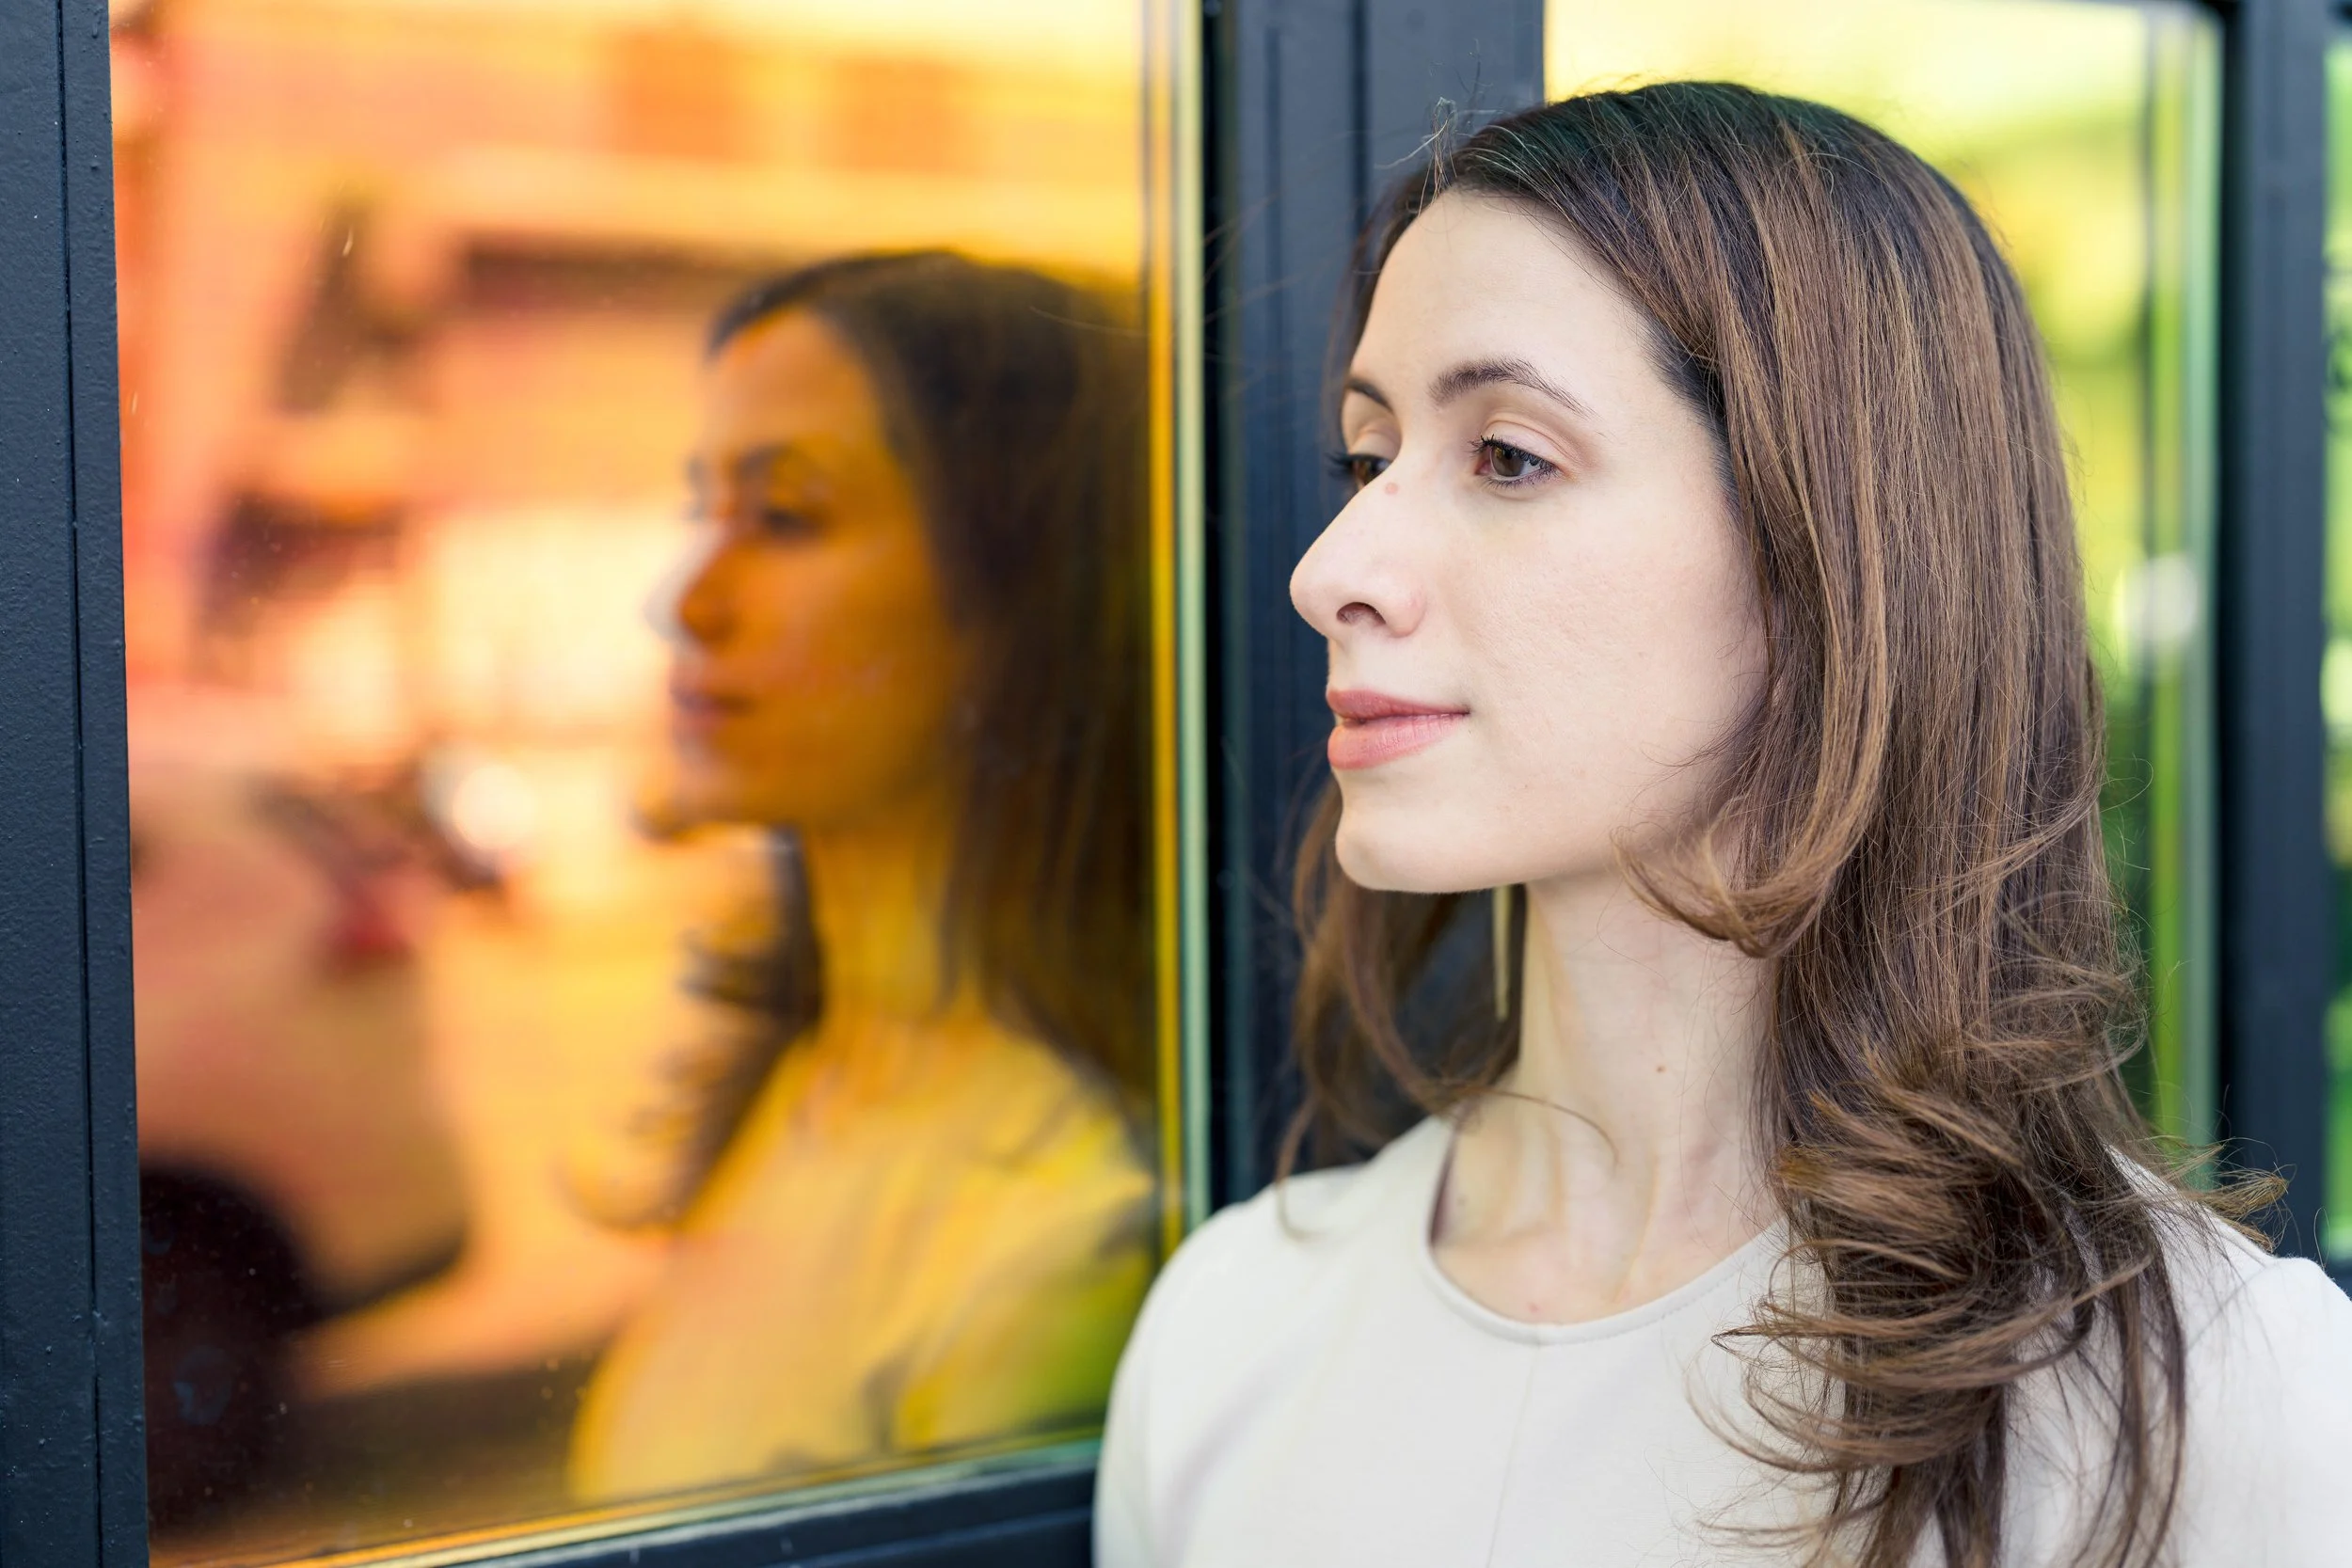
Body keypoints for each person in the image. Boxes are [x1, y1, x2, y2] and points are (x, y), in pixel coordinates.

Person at [1095, 84, 2352, 1568]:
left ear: (1834, 540)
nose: (1334, 566)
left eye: (1508, 455)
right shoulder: (1235, 1328)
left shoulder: (2202, 1393)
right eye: (1368, 458)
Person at [569, 252, 1159, 1501]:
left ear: (1023, 594)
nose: (689, 599)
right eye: (703, 509)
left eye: (786, 515)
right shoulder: (813, 1080)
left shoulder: (1063, 1235)